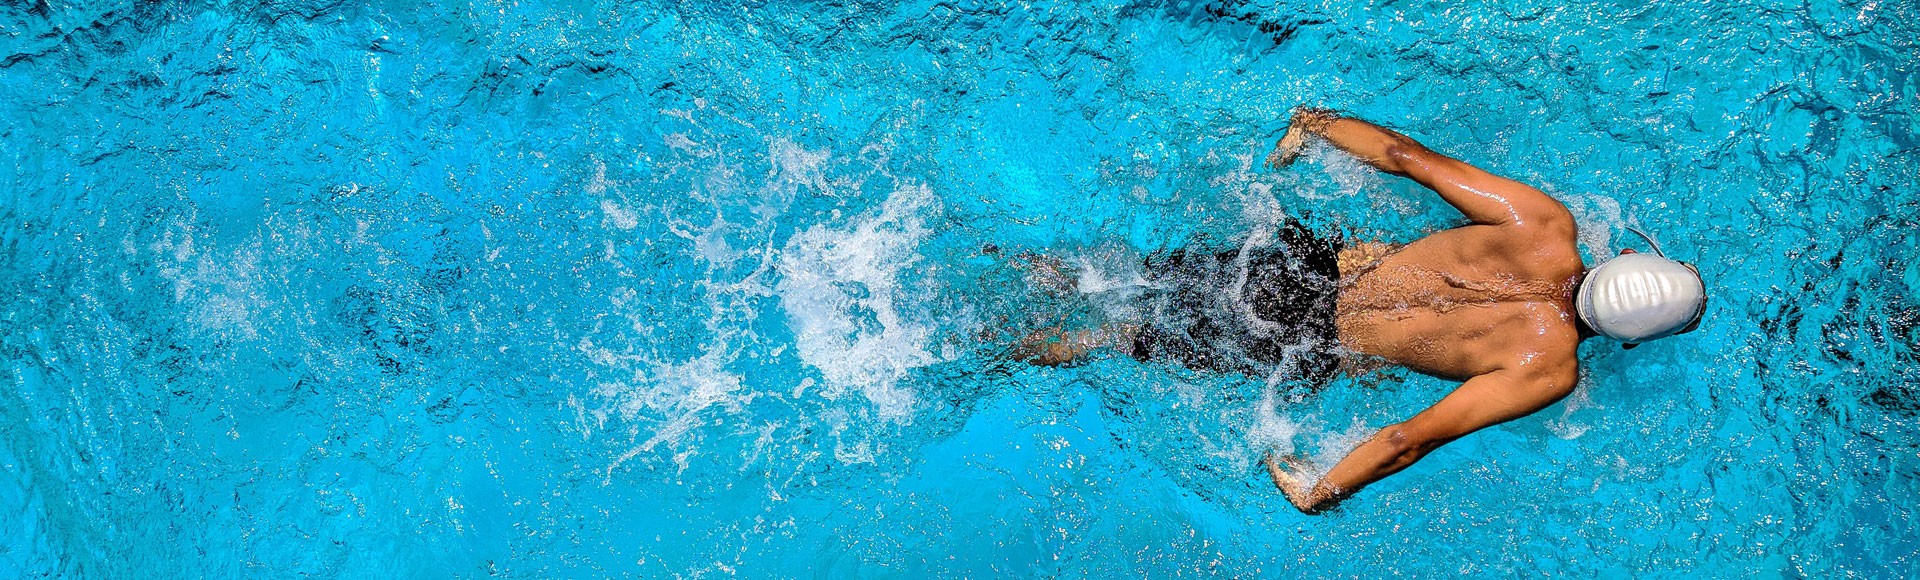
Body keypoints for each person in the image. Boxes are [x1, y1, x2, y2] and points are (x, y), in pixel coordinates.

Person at [1015, 108, 1707, 514]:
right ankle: (999, 350)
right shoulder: (1548, 370)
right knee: (1118, 337)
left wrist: (1316, 125)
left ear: (1625, 256)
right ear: (1629, 340)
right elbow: (1409, 439)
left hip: (1295, 266)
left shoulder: (1543, 224)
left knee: (1117, 278)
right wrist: (1321, 490)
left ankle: (1014, 265)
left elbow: (1405, 156)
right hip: (1302, 343)